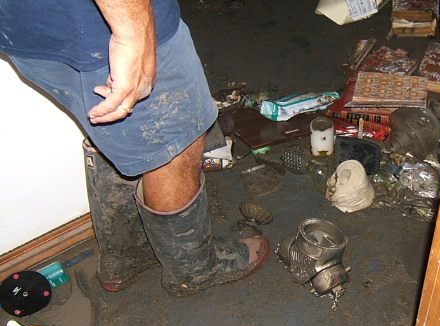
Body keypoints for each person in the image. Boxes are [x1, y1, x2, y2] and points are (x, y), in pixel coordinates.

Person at [0, 0, 270, 296]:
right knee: (174, 146)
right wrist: (132, 35)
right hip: (106, 28)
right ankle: (194, 270)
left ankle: (125, 258)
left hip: (28, 28)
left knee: (113, 128)